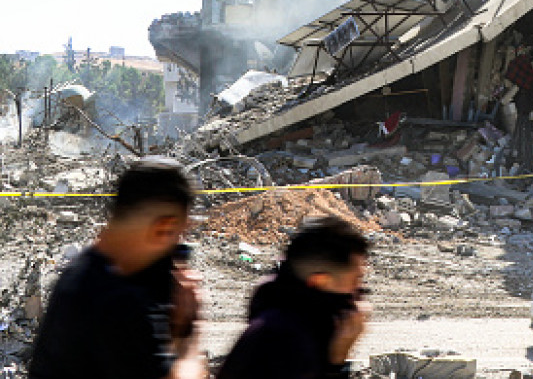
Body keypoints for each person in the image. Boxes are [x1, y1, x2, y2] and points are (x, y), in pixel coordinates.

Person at [29, 159, 203, 379]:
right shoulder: (116, 300)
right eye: (178, 236)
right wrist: (190, 331)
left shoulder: (85, 276)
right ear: (164, 227)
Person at [218, 216, 370, 379]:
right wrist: (335, 363)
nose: (359, 292)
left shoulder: (295, 321)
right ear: (320, 281)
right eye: (355, 280)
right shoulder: (284, 340)